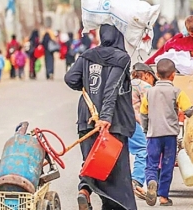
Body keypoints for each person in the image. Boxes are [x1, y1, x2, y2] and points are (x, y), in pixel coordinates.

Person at [64, 24, 137, 210]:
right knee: (113, 167)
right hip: (111, 122)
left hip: (86, 117)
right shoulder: (122, 58)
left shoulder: (88, 55)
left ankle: (85, 191)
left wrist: (87, 85)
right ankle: (116, 206)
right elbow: (111, 89)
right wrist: (105, 117)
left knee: (91, 160)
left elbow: (71, 78)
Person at [140, 58, 193, 206]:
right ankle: (164, 197)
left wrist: (147, 129)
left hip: (153, 135)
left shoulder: (149, 93)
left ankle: (152, 181)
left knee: (151, 163)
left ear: (157, 75)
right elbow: (188, 110)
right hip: (170, 136)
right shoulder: (177, 92)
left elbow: (143, 114)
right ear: (173, 75)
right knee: (167, 165)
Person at [129, 62, 158, 200]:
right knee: (143, 150)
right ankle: (136, 181)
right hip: (134, 124)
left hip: (118, 123)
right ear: (147, 75)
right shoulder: (144, 86)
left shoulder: (126, 83)